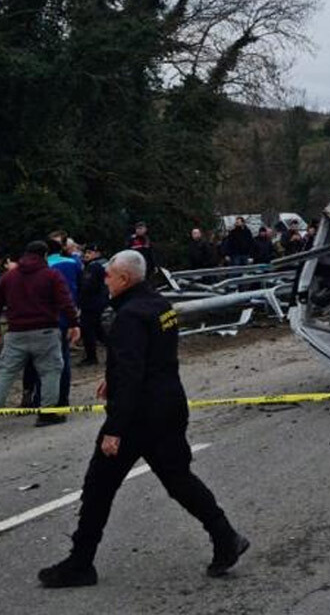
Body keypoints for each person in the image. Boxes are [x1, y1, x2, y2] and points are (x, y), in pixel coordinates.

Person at [38, 250, 249, 588]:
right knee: (179, 479)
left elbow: (134, 372)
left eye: (108, 274)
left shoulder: (129, 316)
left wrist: (114, 430)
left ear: (124, 279)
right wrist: (114, 376)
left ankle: (80, 563)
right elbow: (150, 357)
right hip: (168, 405)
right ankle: (226, 537)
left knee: (98, 487)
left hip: (139, 416)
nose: (104, 279)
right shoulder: (159, 305)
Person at [0, 241, 80, 426]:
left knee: (6, 373)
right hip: (45, 331)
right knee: (50, 371)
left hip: (15, 332)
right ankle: (48, 413)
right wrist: (74, 323)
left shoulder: (8, 277)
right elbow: (65, 302)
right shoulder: (51, 275)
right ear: (44, 255)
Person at [45, 234, 82, 406]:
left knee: (44, 362)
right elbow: (80, 286)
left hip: (47, 317)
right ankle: (63, 399)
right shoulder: (73, 263)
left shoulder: (44, 267)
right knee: (63, 358)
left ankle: (42, 400)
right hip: (68, 313)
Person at [77, 245, 109, 366]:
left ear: (97, 254)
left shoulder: (93, 267)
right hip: (96, 302)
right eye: (86, 252)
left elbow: (87, 286)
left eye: (90, 252)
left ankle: (91, 357)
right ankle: (114, 349)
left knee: (88, 330)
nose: (86, 255)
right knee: (97, 329)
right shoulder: (98, 265)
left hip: (91, 303)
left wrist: (79, 299)